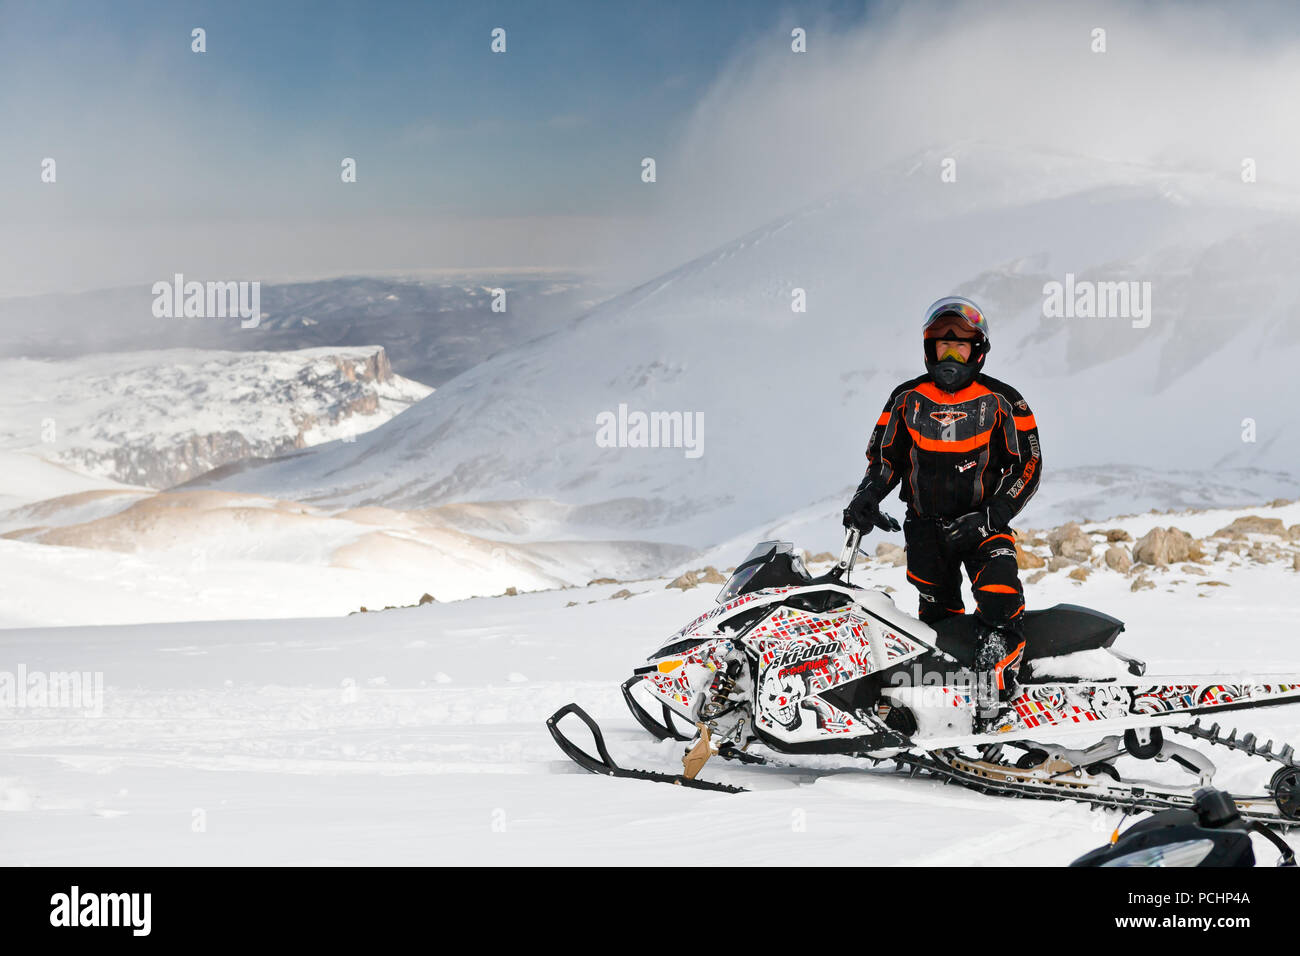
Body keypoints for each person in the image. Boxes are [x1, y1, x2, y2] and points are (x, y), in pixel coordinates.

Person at [844, 296, 1042, 731]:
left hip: (983, 527)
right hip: (925, 531)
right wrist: (867, 496)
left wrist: (993, 515)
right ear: (928, 350)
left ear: (979, 351)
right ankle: (945, 714)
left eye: (961, 348)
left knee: (1000, 599)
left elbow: (1028, 464)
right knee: (936, 626)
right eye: (941, 348)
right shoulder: (906, 399)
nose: (951, 357)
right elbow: (884, 459)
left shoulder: (1005, 401)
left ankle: (997, 698)